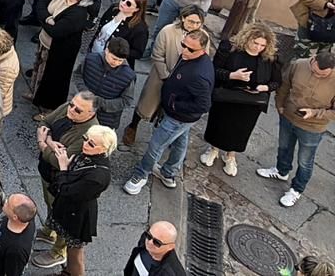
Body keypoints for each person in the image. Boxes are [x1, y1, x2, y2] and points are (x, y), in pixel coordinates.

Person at [124, 28, 213, 195]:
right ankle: (168, 173)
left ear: (202, 50)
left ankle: (141, 174)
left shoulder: (199, 75)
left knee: (156, 145)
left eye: (190, 49)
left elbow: (203, 105)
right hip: (178, 113)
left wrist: (174, 106)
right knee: (180, 142)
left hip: (178, 116)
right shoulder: (189, 57)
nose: (184, 50)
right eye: (183, 45)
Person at [197, 21, 280, 177]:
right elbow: (214, 70)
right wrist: (232, 75)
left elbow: (276, 81)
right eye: (255, 43)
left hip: (250, 102)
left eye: (262, 45)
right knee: (219, 124)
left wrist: (266, 87)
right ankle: (213, 149)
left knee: (241, 130)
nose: (258, 47)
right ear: (247, 38)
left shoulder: (270, 58)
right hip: (227, 95)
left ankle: (230, 155)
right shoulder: (229, 48)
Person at [258, 48, 335, 208]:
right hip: (288, 115)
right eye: (315, 71)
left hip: (313, 127)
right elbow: (285, 85)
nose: (317, 75)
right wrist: (279, 104)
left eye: (323, 75)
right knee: (284, 147)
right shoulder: (299, 65)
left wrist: (315, 113)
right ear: (313, 60)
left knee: (305, 160)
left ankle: (296, 189)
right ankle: (281, 171)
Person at [43, 125, 116, 276]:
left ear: (103, 149)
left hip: (77, 216)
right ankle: (67, 270)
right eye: (85, 139)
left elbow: (67, 191)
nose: (85, 144)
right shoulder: (87, 155)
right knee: (69, 246)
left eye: (91, 143)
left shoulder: (99, 176)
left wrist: (64, 168)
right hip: (68, 208)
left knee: (75, 254)